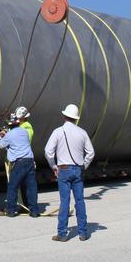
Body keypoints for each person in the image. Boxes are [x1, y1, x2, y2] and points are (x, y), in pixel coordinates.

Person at [44, 103, 94, 241]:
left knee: (64, 201)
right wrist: (84, 166)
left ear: (64, 116)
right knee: (80, 201)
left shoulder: (58, 132)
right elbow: (91, 153)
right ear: (76, 118)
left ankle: (62, 234)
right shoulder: (82, 132)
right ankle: (83, 233)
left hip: (64, 170)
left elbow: (48, 152)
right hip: (78, 170)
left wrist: (54, 166)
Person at [0, 112, 39, 218]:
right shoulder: (25, 132)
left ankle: (11, 210)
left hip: (19, 163)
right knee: (31, 187)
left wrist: (0, 136)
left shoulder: (9, 135)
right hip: (29, 161)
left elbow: (1, 145)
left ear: (9, 124)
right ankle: (34, 210)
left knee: (13, 186)